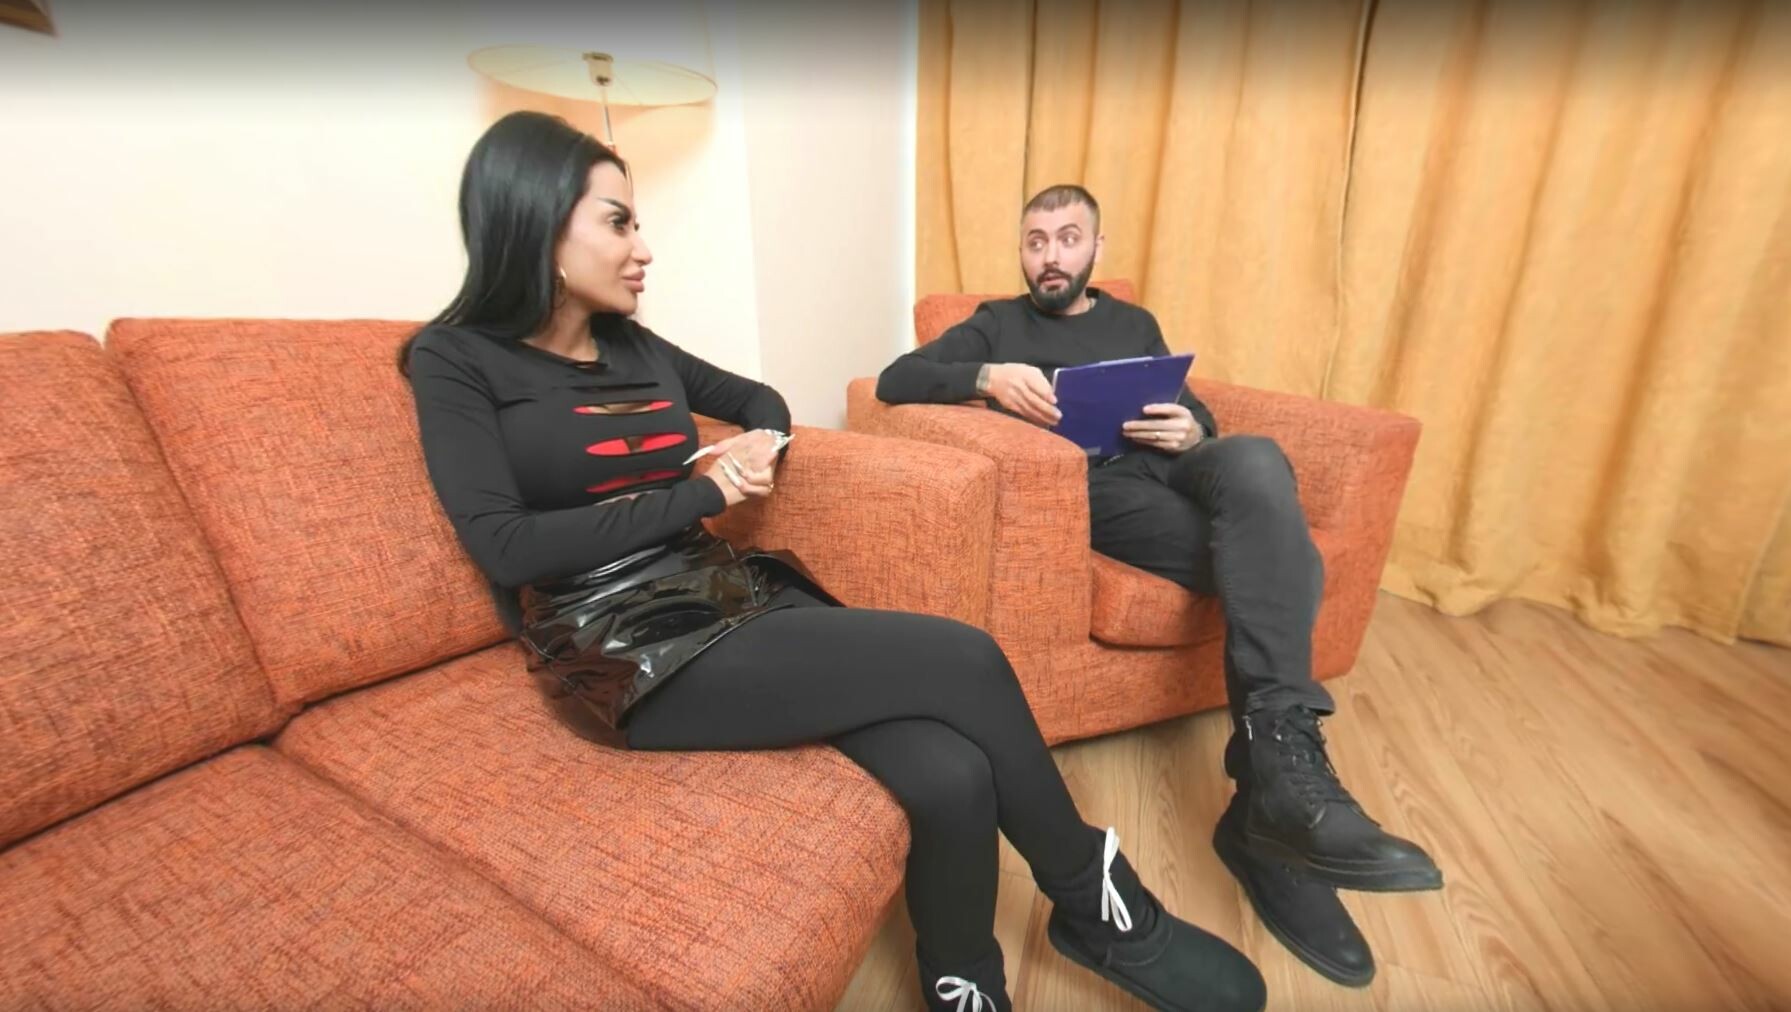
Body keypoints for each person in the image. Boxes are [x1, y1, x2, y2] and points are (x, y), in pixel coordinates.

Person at [400, 113, 1268, 1012]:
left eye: (638, 222)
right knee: (963, 656)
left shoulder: (633, 345)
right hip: (619, 645)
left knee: (953, 771)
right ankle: (1097, 903)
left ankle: (964, 987)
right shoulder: (453, 360)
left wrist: (753, 444)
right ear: (539, 225)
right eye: (618, 222)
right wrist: (703, 492)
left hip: (716, 590)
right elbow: (503, 545)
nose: (643, 247)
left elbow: (756, 398)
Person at [875, 184, 1444, 989]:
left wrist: (1193, 427)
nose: (1050, 256)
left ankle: (1271, 782)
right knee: (1288, 563)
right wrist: (987, 376)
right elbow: (895, 378)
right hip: (1101, 490)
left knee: (1253, 458)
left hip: (1173, 466)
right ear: (1022, 254)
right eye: (1035, 241)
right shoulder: (994, 324)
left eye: (1067, 238)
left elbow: (1189, 403)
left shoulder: (1132, 322)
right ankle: (1271, 791)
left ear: (1096, 249)